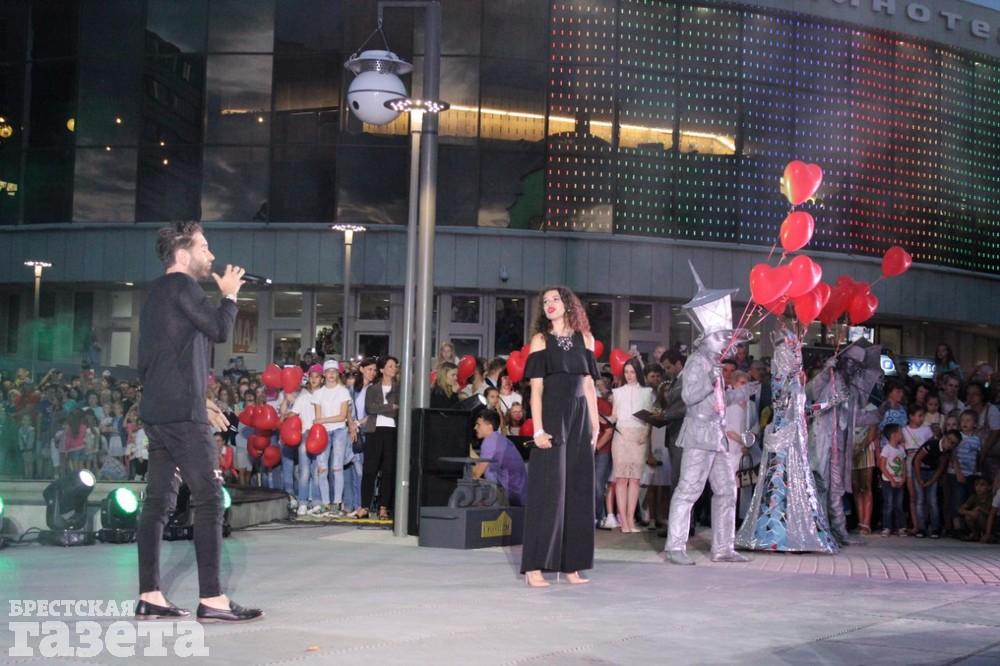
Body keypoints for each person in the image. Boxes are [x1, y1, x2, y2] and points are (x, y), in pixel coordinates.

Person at [135, 221, 261, 623]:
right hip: (181, 417)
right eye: (204, 247)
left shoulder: (155, 293)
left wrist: (201, 400)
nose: (211, 255)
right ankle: (212, 598)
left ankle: (150, 594)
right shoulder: (184, 286)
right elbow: (221, 330)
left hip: (158, 412)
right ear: (182, 253)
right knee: (209, 500)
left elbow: (154, 362)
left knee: (157, 503)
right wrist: (230, 295)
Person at [666, 264, 753, 565]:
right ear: (705, 339)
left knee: (727, 490)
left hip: (717, 435)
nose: (724, 342)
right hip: (699, 434)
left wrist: (739, 393)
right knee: (689, 489)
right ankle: (675, 546)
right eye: (719, 337)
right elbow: (689, 397)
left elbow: (718, 400)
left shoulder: (713, 364)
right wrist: (709, 379)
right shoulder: (696, 363)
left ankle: (723, 547)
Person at [736, 319, 837, 554]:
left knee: (793, 487)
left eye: (796, 354)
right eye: (791, 354)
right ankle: (773, 533)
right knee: (778, 485)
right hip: (784, 440)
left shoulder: (795, 384)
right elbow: (784, 408)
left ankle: (790, 531)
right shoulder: (782, 383)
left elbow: (803, 412)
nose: (795, 358)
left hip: (795, 441)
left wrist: (828, 402)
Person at [521, 286, 600, 587]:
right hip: (553, 418)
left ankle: (572, 566)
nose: (549, 304)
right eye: (545, 301)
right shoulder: (541, 340)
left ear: (568, 304)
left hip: (580, 419)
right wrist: (538, 429)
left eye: (555, 299)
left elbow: (589, 386)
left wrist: (595, 425)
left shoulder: (586, 339)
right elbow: (536, 390)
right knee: (548, 491)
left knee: (578, 491)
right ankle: (535, 567)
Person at [609, 358, 653, 533]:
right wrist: (603, 418)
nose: (629, 375)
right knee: (621, 479)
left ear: (638, 373)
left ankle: (630, 520)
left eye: (632, 372)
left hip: (639, 438)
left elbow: (649, 418)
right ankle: (624, 522)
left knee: (635, 479)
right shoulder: (617, 392)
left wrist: (645, 434)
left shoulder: (647, 392)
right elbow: (614, 416)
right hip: (621, 436)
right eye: (626, 372)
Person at [356, 356, 400, 521]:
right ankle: (365, 506)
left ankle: (383, 507)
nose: (393, 369)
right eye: (390, 366)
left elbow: (398, 410)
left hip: (392, 431)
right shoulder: (373, 389)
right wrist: (389, 406)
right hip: (374, 431)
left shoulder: (399, 389)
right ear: (382, 369)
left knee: (388, 470)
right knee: (369, 469)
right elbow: (370, 408)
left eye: (395, 366)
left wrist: (383, 408)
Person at [313, 359, 352, 516]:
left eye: (334, 371)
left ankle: (336, 503)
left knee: (337, 467)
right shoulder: (318, 393)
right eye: (328, 371)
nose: (331, 374)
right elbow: (317, 418)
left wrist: (322, 420)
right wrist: (322, 421)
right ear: (324, 374)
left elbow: (342, 416)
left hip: (339, 430)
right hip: (323, 432)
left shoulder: (343, 391)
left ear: (338, 374)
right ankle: (325, 503)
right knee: (322, 468)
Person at [473, 410, 527, 506]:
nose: (475, 427)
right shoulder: (498, 439)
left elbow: (476, 474)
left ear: (489, 426)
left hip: (512, 497)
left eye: (478, 424)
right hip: (518, 495)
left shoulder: (490, 442)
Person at [291, 365, 323, 516]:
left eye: (317, 376)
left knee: (317, 471)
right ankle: (302, 502)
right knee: (304, 471)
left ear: (322, 379)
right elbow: (293, 413)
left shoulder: (325, 395)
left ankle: (316, 502)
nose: (314, 379)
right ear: (308, 378)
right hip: (305, 434)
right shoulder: (303, 397)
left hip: (321, 435)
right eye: (312, 376)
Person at [878, 424, 907, 536]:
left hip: (899, 480)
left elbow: (903, 465)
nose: (902, 434)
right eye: (900, 432)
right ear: (894, 435)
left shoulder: (901, 449)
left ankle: (900, 527)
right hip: (888, 481)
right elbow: (882, 466)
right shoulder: (886, 449)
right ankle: (887, 527)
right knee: (888, 504)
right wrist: (891, 479)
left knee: (899, 505)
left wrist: (903, 478)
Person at [958, 476, 992, 541]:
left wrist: (980, 509)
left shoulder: (992, 497)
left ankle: (987, 534)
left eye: (982, 485)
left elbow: (993, 514)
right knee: (968, 516)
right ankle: (975, 534)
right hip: (978, 521)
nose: (978, 487)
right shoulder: (974, 497)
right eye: (976, 485)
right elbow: (960, 510)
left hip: (990, 523)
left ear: (989, 487)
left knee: (979, 515)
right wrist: (971, 512)